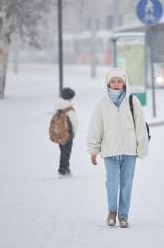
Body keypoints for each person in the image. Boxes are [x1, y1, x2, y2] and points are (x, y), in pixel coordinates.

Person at [87, 68, 149, 228]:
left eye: (119, 81)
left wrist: (142, 147)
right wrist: (94, 150)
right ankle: (112, 212)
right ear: (108, 83)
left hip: (129, 151)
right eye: (113, 81)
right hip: (110, 151)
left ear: (124, 83)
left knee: (127, 183)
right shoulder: (102, 104)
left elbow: (140, 126)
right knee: (112, 182)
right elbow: (96, 127)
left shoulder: (132, 101)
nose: (116, 84)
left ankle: (123, 215)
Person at [54, 87, 78, 177]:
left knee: (63, 151)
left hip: (59, 133)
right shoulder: (69, 107)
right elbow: (74, 122)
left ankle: (64, 169)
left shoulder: (57, 107)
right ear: (70, 97)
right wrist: (74, 133)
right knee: (66, 152)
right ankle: (63, 170)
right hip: (68, 133)